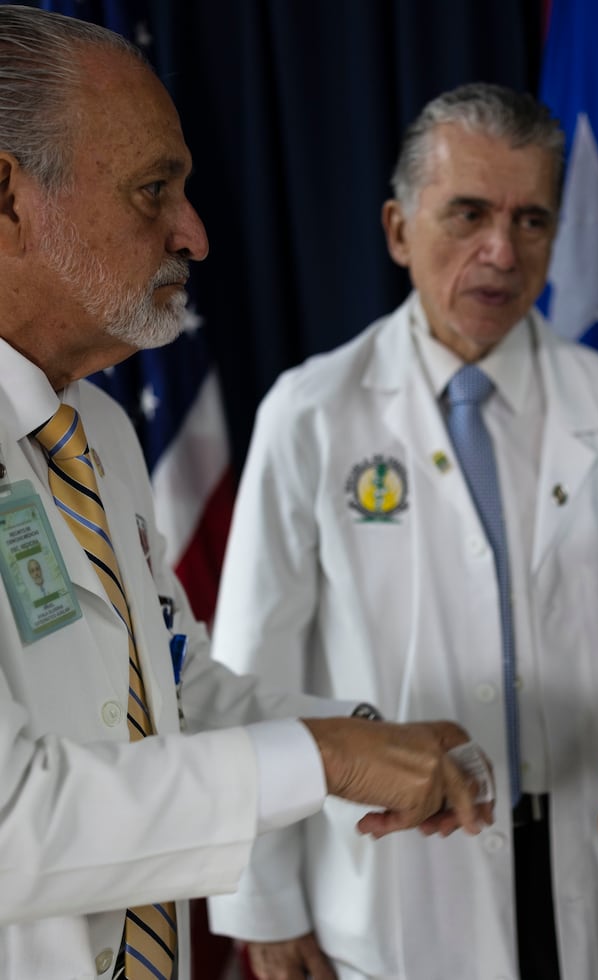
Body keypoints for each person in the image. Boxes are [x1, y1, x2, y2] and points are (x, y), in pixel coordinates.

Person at [0, 8, 490, 980]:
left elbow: (167, 689)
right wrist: (320, 757)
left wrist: (357, 734)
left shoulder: (95, 431)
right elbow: (14, 820)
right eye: (154, 190)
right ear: (8, 199)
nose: (195, 232)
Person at [207, 82, 598, 980]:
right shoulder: (312, 413)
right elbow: (250, 671)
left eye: (533, 220)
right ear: (399, 229)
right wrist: (264, 905)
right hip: (396, 889)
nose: (501, 251)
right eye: (468, 213)